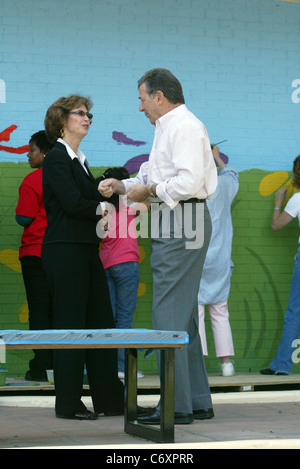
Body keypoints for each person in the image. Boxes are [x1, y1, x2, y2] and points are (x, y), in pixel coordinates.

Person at [98, 68, 218, 425]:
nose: (140, 107)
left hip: (182, 219)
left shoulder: (182, 127)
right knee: (183, 318)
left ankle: (175, 407)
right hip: (182, 219)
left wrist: (146, 191)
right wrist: (122, 186)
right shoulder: (170, 127)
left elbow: (186, 182)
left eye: (142, 98)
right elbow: (154, 176)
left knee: (168, 313)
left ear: (160, 97)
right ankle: (194, 400)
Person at [42, 95, 124, 420]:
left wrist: (104, 189)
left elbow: (87, 197)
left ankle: (110, 401)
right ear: (62, 120)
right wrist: (101, 206)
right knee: (71, 327)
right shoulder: (56, 158)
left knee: (101, 324)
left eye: (89, 113)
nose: (87, 117)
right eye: (80, 113)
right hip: (64, 250)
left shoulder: (79, 159)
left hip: (86, 251)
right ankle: (69, 404)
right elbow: (71, 202)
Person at [96, 166, 144, 379]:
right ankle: (122, 367)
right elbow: (156, 204)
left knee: (110, 316)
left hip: (106, 265)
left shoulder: (102, 210)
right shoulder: (131, 206)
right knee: (125, 316)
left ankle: (107, 366)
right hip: (127, 265)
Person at [15, 130, 54, 382]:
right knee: (60, 310)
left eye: (32, 150)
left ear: (44, 152)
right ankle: (61, 365)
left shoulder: (32, 180)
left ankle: (41, 367)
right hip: (61, 254)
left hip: (35, 253)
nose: (28, 155)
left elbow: (23, 217)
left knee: (39, 311)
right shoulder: (68, 178)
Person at [197, 145, 239, 377]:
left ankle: (200, 362)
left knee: (198, 310)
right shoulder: (224, 185)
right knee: (220, 311)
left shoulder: (193, 187)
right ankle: (226, 364)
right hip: (221, 259)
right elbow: (232, 174)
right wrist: (218, 157)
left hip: (197, 256)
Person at [261, 154, 300, 376]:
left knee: (295, 312)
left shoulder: (297, 200)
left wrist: (277, 204)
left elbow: (276, 226)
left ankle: (281, 365)